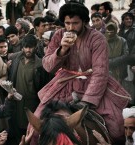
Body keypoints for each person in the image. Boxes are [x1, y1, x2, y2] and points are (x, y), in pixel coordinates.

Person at [30, 2, 130, 145]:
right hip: (64, 84)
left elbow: (100, 72)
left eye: (75, 23)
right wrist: (62, 50)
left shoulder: (97, 38)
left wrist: (87, 101)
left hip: (94, 84)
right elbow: (48, 66)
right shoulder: (58, 35)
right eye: (67, 23)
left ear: (84, 21)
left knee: (117, 128)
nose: (70, 27)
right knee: (35, 127)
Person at [8, 34, 50, 145]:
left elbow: (45, 86)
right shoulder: (16, 60)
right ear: (22, 47)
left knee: (32, 129)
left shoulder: (40, 64)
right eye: (26, 47)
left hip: (33, 104)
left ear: (35, 47)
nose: (28, 50)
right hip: (16, 102)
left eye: (31, 47)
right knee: (17, 129)